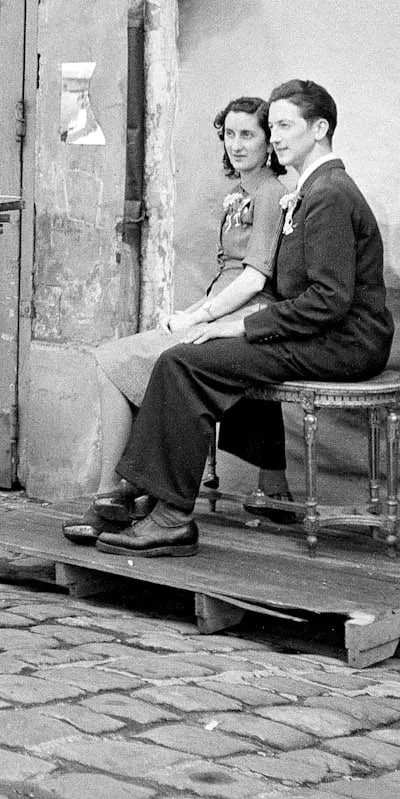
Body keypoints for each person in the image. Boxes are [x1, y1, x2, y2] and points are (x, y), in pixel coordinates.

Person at [99, 79, 394, 557]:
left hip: (345, 342)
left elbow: (329, 301)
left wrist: (238, 326)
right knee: (202, 355)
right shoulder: (311, 189)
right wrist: (226, 325)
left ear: (320, 129)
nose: (275, 137)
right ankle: (151, 494)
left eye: (285, 126)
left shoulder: (329, 192)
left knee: (183, 363)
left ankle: (169, 517)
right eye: (272, 126)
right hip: (324, 334)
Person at [63, 96, 289, 545]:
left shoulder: (269, 194)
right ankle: (128, 492)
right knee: (120, 361)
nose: (237, 145)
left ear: (269, 143)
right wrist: (192, 312)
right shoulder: (241, 193)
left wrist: (197, 317)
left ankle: (111, 494)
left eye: (248, 135)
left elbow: (254, 278)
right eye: (230, 134)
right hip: (222, 307)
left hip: (244, 316)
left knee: (113, 361)